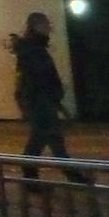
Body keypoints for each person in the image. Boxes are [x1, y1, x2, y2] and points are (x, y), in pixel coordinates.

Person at [14, 12, 90, 186]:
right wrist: (51, 98)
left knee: (42, 140)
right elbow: (38, 78)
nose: (49, 27)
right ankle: (68, 176)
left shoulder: (32, 48)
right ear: (36, 26)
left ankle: (32, 176)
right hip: (40, 101)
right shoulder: (32, 49)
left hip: (41, 101)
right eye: (46, 24)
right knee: (50, 140)